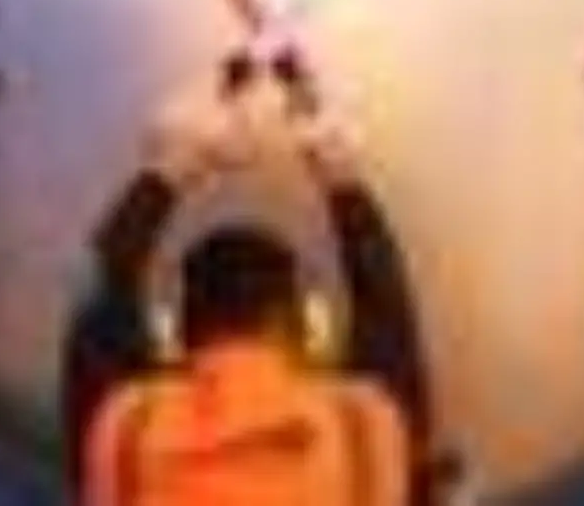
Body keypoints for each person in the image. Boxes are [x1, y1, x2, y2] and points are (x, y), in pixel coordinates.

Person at [65, 50, 432, 506]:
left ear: (174, 336)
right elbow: (390, 316)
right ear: (309, 329)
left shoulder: (129, 433)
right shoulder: (359, 431)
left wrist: (169, 165)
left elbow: (94, 308)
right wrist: (343, 177)